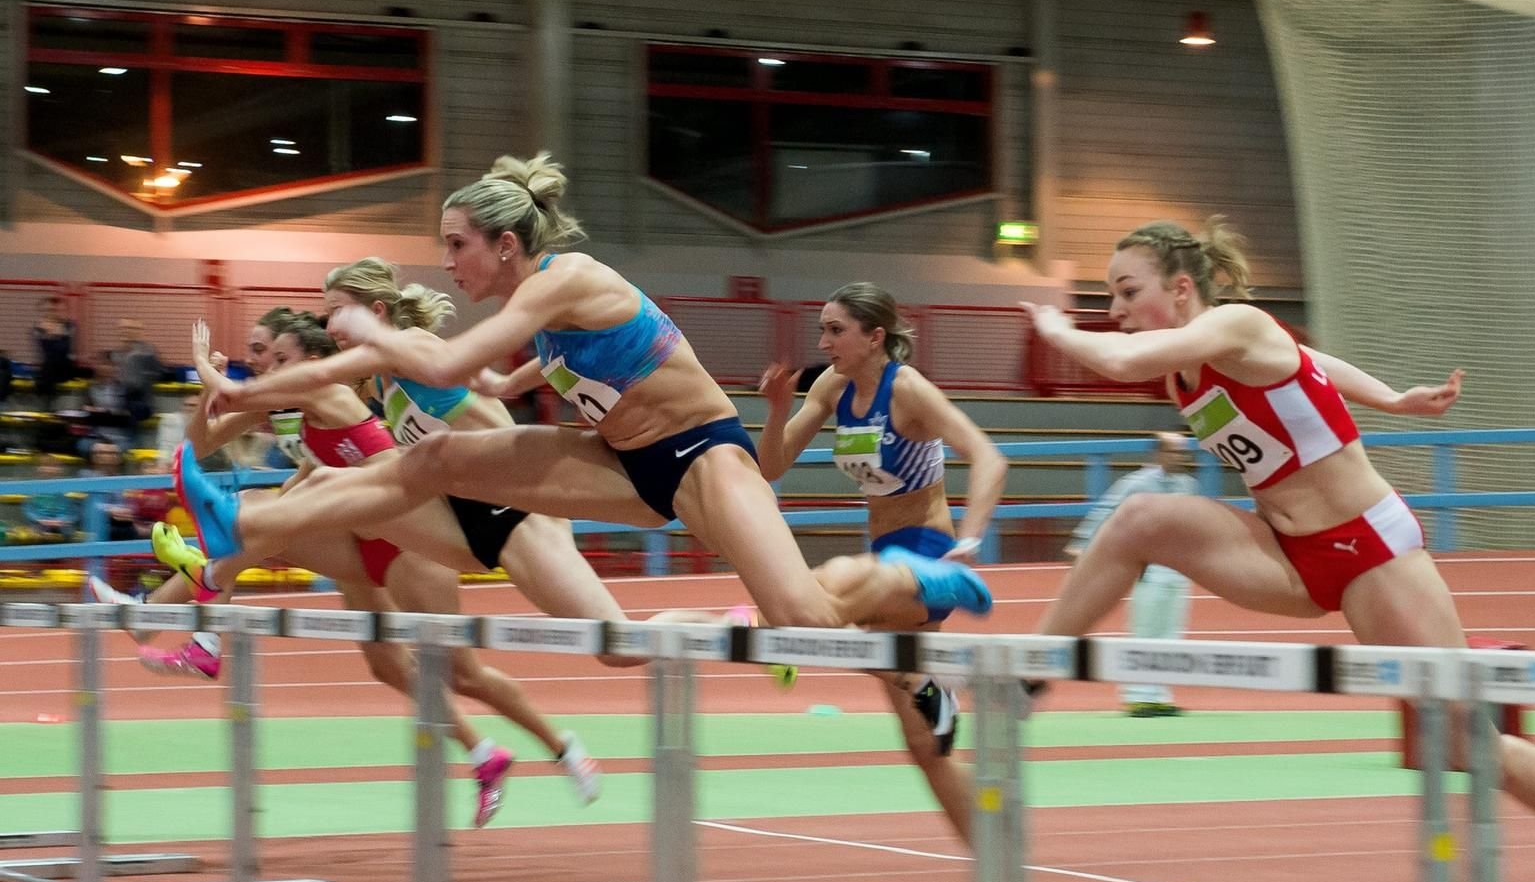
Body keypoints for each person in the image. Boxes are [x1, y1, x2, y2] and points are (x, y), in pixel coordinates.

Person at [1021, 215, 1535, 882]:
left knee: (1460, 740)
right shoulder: (1187, 367)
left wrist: (1055, 330)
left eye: (1127, 293)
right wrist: (1392, 398)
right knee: (1140, 519)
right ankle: (1033, 669)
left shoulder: (1236, 326)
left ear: (1182, 289)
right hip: (1287, 553)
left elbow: (1143, 360)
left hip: (1370, 553)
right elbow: (1313, 364)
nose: (1116, 311)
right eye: (1109, 298)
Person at [172, 153, 992, 632]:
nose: (450, 265)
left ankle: (927, 581)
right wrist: (244, 391)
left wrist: (376, 333)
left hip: (703, 455)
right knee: (439, 456)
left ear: (505, 242)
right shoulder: (541, 313)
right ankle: (242, 520)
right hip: (619, 461)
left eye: (457, 247)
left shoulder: (567, 281)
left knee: (803, 621)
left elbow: (452, 369)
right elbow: (511, 373)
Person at [144, 314, 598, 826]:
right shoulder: (284, 408)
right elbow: (197, 443)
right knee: (381, 660)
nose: (263, 362)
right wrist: (214, 394)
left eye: (273, 354)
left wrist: (207, 368)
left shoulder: (327, 393)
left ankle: (563, 746)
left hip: (406, 541)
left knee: (461, 671)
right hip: (361, 536)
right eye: (260, 354)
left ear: (311, 363)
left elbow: (291, 453)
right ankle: (483, 753)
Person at [168, 257, 646, 672]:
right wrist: (219, 389)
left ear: (376, 313)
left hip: (517, 516)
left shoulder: (417, 346)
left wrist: (221, 380)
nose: (330, 328)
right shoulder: (376, 381)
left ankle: (710, 626)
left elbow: (319, 374)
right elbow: (308, 379)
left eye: (337, 313)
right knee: (335, 484)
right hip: (457, 516)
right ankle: (225, 551)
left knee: (618, 647)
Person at [757, 281, 1007, 847]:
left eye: (835, 330)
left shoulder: (909, 390)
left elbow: (990, 456)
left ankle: (919, 671)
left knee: (810, 605)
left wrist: (969, 541)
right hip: (884, 563)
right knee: (926, 751)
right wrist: (777, 410)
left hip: (924, 562)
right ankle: (1000, 875)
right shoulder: (832, 386)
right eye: (821, 329)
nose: (823, 342)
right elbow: (772, 465)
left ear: (875, 337)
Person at [1066, 432, 1199, 716]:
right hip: (1149, 567)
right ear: (1159, 454)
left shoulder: (1187, 485)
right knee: (1146, 632)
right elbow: (1107, 511)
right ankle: (1138, 695)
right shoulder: (1137, 484)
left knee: (1169, 634)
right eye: (1175, 452)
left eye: (1183, 453)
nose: (1181, 457)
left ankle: (1159, 695)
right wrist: (1082, 544)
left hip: (1177, 568)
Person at [31, 297, 76, 409]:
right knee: (48, 366)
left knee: (53, 362)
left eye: (52, 310)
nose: (49, 314)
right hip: (48, 372)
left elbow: (64, 349)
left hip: (64, 369)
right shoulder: (37, 329)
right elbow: (47, 351)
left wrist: (50, 335)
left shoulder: (70, 326)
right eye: (46, 311)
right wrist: (57, 335)